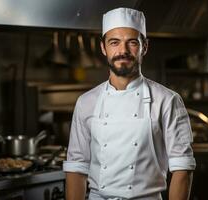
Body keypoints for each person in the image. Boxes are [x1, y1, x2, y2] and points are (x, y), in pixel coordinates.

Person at [63, 7, 196, 200]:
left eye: (132, 42)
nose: (122, 51)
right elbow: (76, 166)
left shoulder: (167, 100)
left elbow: (183, 168)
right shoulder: (86, 102)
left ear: (145, 47)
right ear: (103, 48)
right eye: (114, 42)